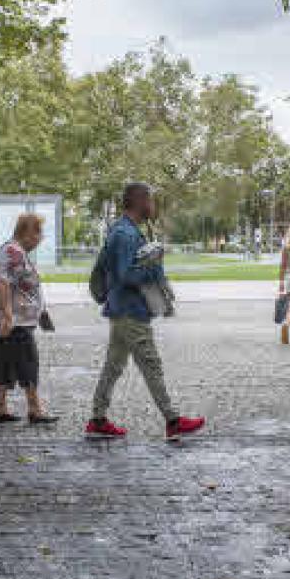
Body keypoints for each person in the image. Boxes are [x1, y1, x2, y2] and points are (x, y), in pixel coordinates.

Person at [86, 183, 205, 441]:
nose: (153, 206)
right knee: (151, 365)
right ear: (140, 202)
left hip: (122, 310)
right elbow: (126, 274)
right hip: (130, 311)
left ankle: (97, 419)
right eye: (151, 201)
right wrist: (154, 264)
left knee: (113, 367)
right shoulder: (126, 234)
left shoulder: (125, 230)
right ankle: (173, 420)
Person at [0, 214, 57, 425]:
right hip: (15, 321)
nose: (41, 239)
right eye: (39, 233)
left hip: (12, 319)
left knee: (5, 363)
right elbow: (2, 283)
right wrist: (8, 317)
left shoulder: (14, 251)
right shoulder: (13, 251)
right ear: (29, 232)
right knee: (28, 362)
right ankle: (35, 409)